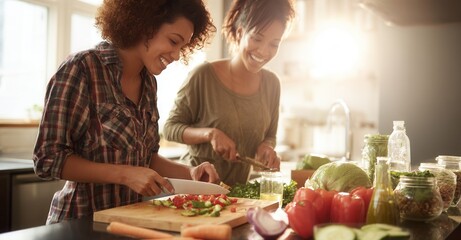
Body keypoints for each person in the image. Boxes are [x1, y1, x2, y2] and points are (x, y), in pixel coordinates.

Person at [33, 0, 218, 224]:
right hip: (80, 223)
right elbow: (47, 158)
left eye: (182, 47)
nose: (178, 55)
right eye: (173, 41)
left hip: (129, 221)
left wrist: (191, 172)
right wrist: (124, 174)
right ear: (145, 25)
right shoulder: (82, 68)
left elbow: (146, 158)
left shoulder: (149, 83)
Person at [163, 0, 295, 186]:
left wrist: (266, 148)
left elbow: (270, 136)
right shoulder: (204, 76)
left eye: (274, 44)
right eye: (257, 38)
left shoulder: (272, 84)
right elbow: (170, 129)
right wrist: (211, 134)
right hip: (197, 188)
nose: (264, 51)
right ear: (240, 32)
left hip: (237, 193)